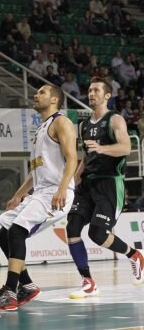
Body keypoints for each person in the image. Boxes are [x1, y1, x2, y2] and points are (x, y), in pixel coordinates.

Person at [0, 84, 77, 310]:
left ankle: (10, 292)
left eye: (42, 92)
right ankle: (27, 286)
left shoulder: (61, 122)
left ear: (54, 100)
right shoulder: (41, 129)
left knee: (16, 231)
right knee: (3, 231)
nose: (36, 95)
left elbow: (72, 158)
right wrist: (18, 195)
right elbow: (36, 170)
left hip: (56, 192)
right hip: (40, 192)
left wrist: (62, 188)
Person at [66, 78, 144, 299]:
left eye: (96, 90)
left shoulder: (115, 119)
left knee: (98, 234)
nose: (91, 93)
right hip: (87, 184)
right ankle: (88, 281)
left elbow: (126, 147)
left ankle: (134, 255)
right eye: (89, 89)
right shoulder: (82, 126)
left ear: (107, 96)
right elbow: (85, 158)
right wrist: (71, 183)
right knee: (72, 228)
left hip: (109, 182)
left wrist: (102, 148)